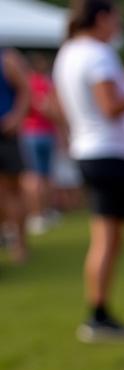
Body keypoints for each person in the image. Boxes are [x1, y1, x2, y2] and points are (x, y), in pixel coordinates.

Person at [53, 1, 124, 341]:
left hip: (89, 152)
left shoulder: (69, 53)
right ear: (101, 18)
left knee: (109, 237)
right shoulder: (98, 55)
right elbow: (111, 107)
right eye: (116, 18)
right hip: (110, 155)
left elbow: (62, 106)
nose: (119, 25)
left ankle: (102, 311)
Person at [21, 53, 61, 236]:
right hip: (44, 133)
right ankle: (42, 213)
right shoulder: (46, 83)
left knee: (36, 176)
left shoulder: (27, 83)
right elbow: (53, 108)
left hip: (32, 133)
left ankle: (39, 214)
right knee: (43, 176)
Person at [0, 46, 30, 263]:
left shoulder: (6, 59)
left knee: (12, 191)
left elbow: (25, 90)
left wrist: (16, 117)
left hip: (5, 135)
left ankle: (19, 244)